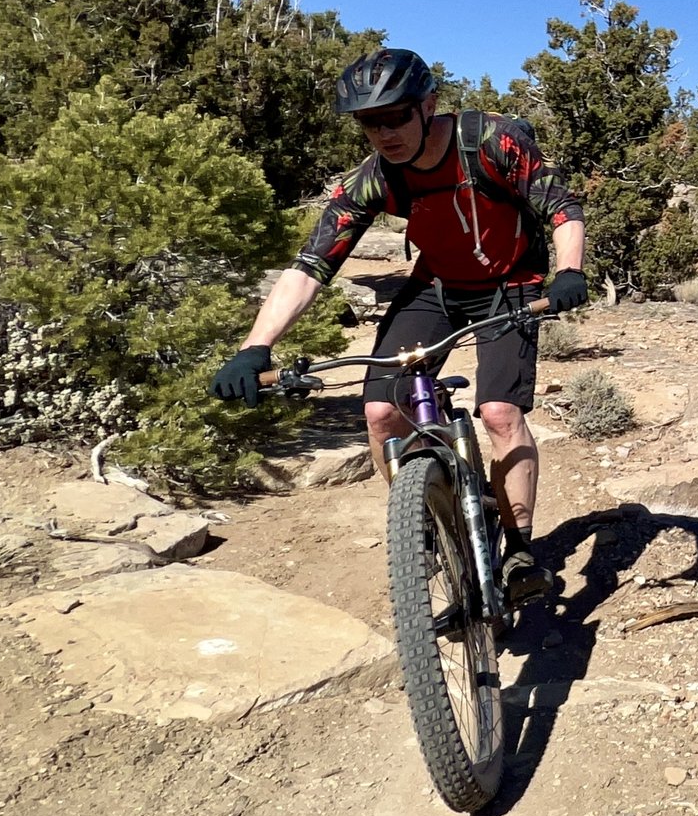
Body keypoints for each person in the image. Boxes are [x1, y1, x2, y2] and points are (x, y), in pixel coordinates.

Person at [211, 47, 588, 607]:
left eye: (394, 117)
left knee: (499, 413)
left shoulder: (492, 141)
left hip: (512, 282)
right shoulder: (374, 178)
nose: (384, 134)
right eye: (370, 123)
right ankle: (424, 521)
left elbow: (562, 207)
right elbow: (311, 265)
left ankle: (518, 551)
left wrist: (569, 271)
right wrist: (255, 348)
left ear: (427, 106)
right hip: (435, 287)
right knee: (381, 412)